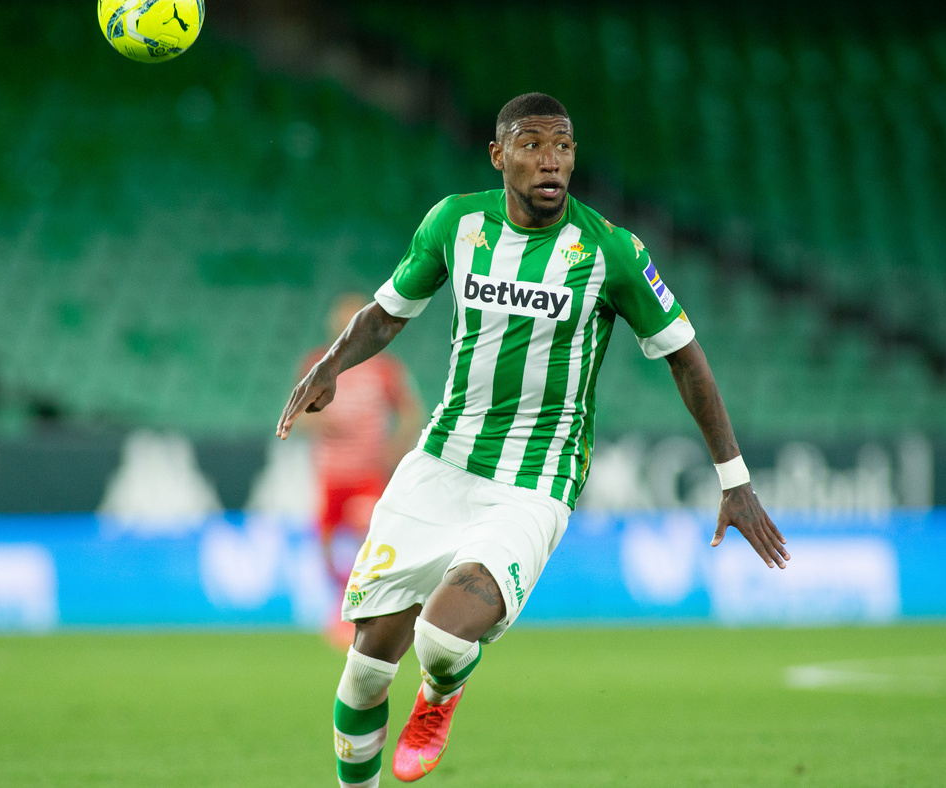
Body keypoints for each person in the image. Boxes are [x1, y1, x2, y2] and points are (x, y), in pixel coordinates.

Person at [276, 93, 787, 787]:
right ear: (499, 155)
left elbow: (686, 357)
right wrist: (331, 365)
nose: (551, 161)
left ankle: (440, 694)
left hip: (535, 479)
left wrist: (734, 479)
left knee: (441, 638)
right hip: (442, 460)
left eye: (563, 146)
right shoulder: (456, 223)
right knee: (365, 671)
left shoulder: (610, 251)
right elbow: (388, 312)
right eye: (533, 144)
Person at [298, 293, 424, 644]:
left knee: (366, 540)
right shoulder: (318, 364)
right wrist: (319, 422)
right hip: (330, 472)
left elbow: (411, 413)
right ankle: (340, 601)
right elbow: (299, 417)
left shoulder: (385, 369)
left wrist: (395, 451)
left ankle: (363, 607)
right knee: (325, 546)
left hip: (367, 474)